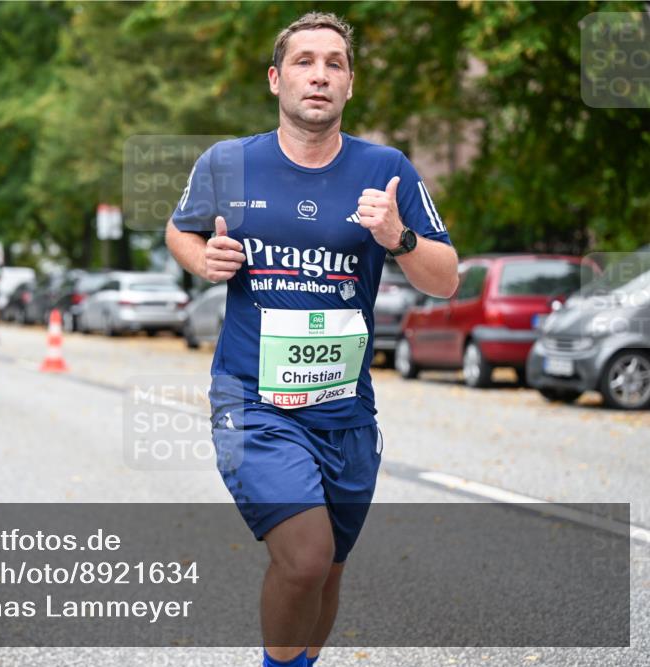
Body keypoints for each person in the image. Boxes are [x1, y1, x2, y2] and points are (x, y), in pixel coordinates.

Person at [165, 12, 459, 667]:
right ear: (276, 79)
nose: (319, 74)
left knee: (329, 572)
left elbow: (445, 280)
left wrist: (398, 237)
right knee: (305, 556)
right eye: (304, 62)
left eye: (334, 63)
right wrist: (201, 259)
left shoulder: (386, 170)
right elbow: (178, 229)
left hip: (346, 409)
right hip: (253, 399)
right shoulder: (230, 162)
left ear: (350, 84)